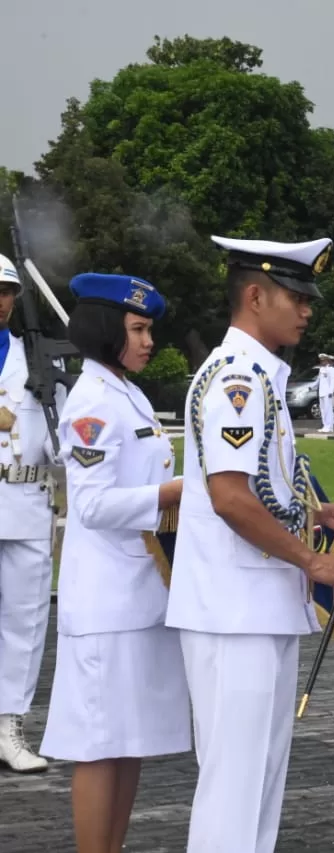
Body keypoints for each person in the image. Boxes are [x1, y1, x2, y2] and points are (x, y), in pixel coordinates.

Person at [165, 235, 334, 853]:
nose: (308, 309)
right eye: (296, 296)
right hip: (235, 612)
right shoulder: (238, 378)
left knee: (256, 789)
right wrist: (312, 559)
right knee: (234, 794)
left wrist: (321, 513)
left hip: (255, 606)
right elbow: (229, 497)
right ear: (256, 296)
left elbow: (259, 487)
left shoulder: (258, 376)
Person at [38, 273, 190, 852]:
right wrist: (174, 494)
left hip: (139, 591)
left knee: (129, 743)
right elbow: (94, 505)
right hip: (105, 599)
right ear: (106, 331)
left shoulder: (128, 391)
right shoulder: (94, 402)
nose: (150, 341)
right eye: (138, 329)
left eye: (149, 328)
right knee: (100, 746)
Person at [0, 251, 56, 773]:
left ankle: (9, 725)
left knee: (25, 620)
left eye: (4, 292)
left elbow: (63, 443)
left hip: (25, 502)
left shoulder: (37, 359)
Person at [316, 353, 334, 433]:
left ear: (327, 361)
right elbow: (318, 380)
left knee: (328, 410)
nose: (322, 362)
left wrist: (331, 391)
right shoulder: (321, 369)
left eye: (324, 360)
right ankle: (325, 425)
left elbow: (332, 381)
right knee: (323, 410)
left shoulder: (330, 369)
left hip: (327, 392)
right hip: (321, 392)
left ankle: (329, 427)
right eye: (321, 360)